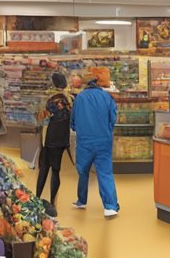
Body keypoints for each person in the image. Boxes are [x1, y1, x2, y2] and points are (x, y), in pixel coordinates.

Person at [71, 75, 120, 218]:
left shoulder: (80, 98)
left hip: (84, 141)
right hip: (103, 140)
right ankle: (110, 206)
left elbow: (73, 119)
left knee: (83, 171)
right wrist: (107, 130)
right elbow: (113, 117)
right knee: (105, 173)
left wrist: (76, 128)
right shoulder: (106, 97)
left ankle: (81, 200)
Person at [35, 73, 74, 217]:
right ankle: (53, 203)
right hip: (63, 138)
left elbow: (40, 116)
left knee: (44, 168)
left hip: (49, 138)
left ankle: (37, 197)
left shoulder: (48, 98)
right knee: (56, 171)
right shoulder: (69, 98)